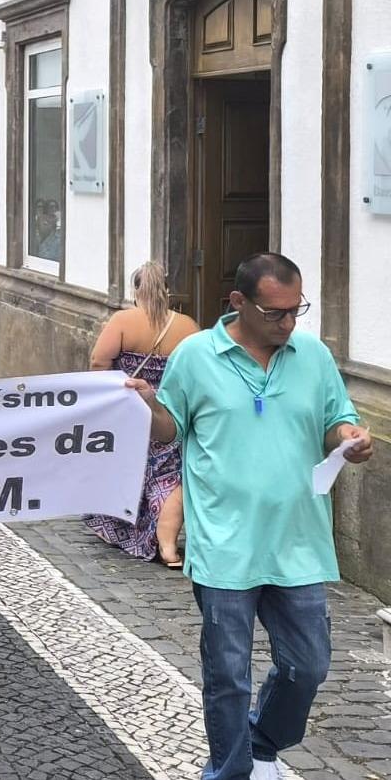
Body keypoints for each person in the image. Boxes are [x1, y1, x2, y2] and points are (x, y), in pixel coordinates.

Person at [126, 253, 372, 780]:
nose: (288, 324)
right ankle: (230, 772)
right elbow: (168, 432)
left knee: (308, 665)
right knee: (228, 677)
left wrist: (348, 439)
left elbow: (337, 420)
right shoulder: (195, 356)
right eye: (275, 313)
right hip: (224, 544)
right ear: (238, 303)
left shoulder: (313, 355)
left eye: (295, 311)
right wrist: (148, 403)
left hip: (299, 540)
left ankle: (263, 740)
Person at [82, 261, 199, 566]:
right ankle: (167, 542)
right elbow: (199, 370)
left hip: (130, 405)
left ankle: (125, 529)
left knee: (126, 469)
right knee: (168, 476)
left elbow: (98, 362)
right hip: (170, 412)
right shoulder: (188, 326)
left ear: (135, 290)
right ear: (168, 291)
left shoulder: (123, 320)